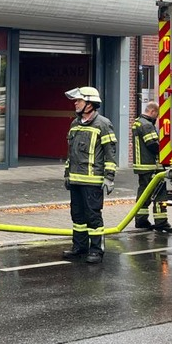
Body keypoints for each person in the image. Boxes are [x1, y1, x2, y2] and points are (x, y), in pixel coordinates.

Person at [62, 86, 117, 263]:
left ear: (90, 104)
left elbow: (110, 153)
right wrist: (67, 174)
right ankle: (79, 247)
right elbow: (71, 153)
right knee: (77, 216)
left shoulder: (103, 124)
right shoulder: (75, 124)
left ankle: (96, 250)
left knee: (93, 216)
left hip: (93, 181)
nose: (75, 103)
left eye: (79, 100)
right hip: (75, 179)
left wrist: (109, 177)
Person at [132, 101, 172, 234]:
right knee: (159, 194)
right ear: (152, 111)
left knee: (144, 194)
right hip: (151, 166)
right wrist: (166, 153)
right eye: (157, 114)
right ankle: (161, 223)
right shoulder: (147, 125)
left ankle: (141, 220)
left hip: (142, 166)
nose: (157, 117)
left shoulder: (137, 122)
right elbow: (152, 144)